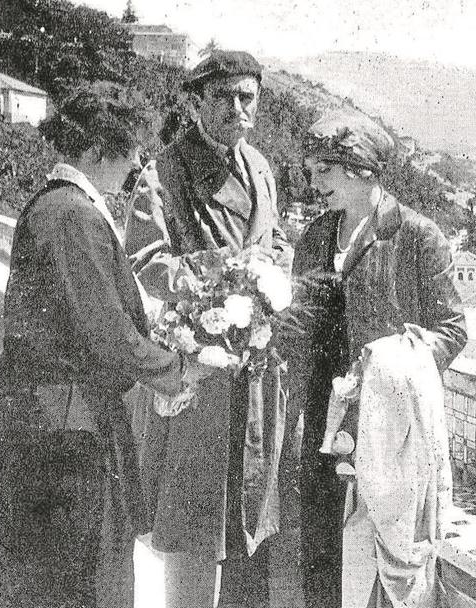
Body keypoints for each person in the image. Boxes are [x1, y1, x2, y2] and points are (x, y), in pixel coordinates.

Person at [0, 146, 212, 608]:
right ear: (97, 149)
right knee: (83, 581)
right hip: (66, 442)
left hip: (38, 429)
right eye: (129, 152)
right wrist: (178, 370)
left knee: (35, 583)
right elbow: (108, 332)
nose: (133, 166)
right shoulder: (73, 216)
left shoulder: (52, 204)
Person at [291, 110, 468, 608]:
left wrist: (393, 362)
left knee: (388, 572)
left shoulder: (416, 236)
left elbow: (453, 329)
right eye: (310, 170)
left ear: (360, 168)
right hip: (325, 429)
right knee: (323, 560)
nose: (313, 181)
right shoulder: (314, 239)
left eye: (324, 169)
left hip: (389, 434)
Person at [136, 50, 294, 608]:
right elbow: (148, 262)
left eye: (246, 97)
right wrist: (226, 277)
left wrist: (272, 268)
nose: (236, 108)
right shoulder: (168, 172)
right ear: (196, 102)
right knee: (196, 523)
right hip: (201, 374)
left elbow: (275, 240)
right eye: (223, 97)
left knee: (251, 516)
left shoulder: (260, 168)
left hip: (254, 372)